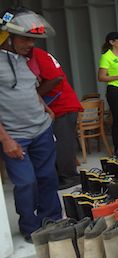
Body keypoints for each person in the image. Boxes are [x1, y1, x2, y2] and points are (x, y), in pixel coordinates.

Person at [0, 7, 62, 242]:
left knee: (48, 177)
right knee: (26, 182)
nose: (30, 44)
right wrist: (6, 140)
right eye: (25, 38)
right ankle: (30, 226)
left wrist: (45, 108)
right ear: (8, 36)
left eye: (32, 39)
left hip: (41, 130)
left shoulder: (26, 60)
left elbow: (29, 89)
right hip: (16, 136)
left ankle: (52, 219)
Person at [29, 47, 83, 190]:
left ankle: (69, 177)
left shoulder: (36, 54)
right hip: (52, 107)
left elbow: (56, 78)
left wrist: (32, 95)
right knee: (57, 143)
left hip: (62, 105)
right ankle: (60, 175)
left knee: (63, 143)